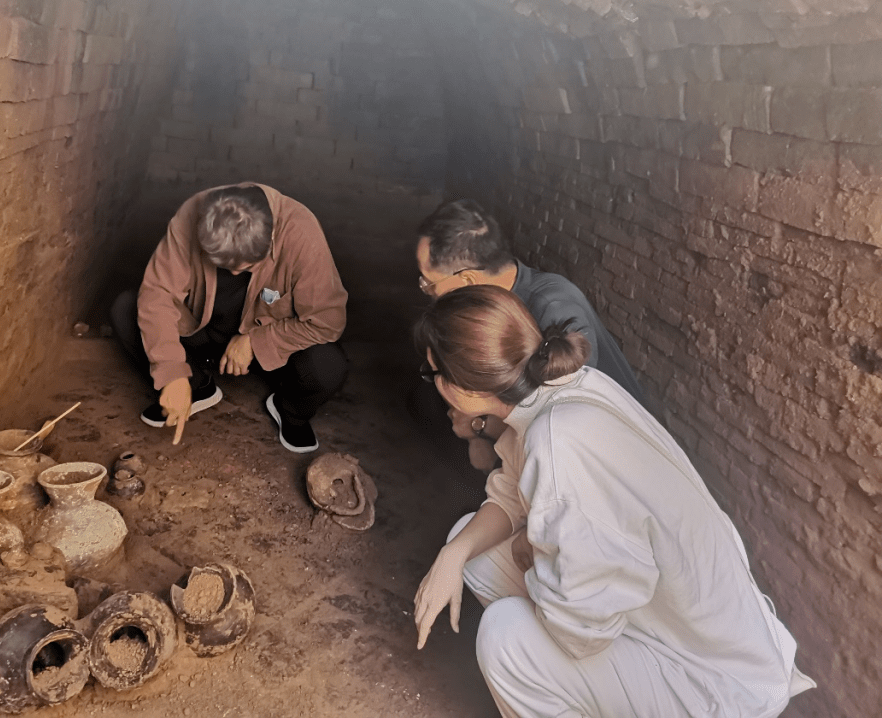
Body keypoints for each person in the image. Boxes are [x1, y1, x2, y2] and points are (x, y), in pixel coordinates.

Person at [411, 285, 815, 718]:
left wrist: (532, 553)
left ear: (468, 391)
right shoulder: (557, 391)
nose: (432, 383)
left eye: (432, 373)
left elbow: (581, 630)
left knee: (504, 636)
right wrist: (452, 556)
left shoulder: (559, 442)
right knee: (470, 548)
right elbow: (510, 492)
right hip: (667, 625)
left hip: (712, 679)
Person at [412, 198, 651, 474]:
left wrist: (479, 428)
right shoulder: (492, 301)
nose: (426, 290)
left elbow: (565, 413)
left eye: (428, 283)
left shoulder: (554, 307)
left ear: (467, 280)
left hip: (608, 455)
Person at [111, 183, 348, 453]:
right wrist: (171, 374)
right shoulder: (190, 215)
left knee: (327, 366)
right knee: (127, 309)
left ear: (271, 238)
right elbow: (158, 294)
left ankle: (290, 411)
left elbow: (328, 321)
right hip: (203, 330)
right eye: (224, 266)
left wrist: (254, 343)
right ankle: (196, 386)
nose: (234, 274)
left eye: (246, 267)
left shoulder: (302, 232)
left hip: (271, 349)